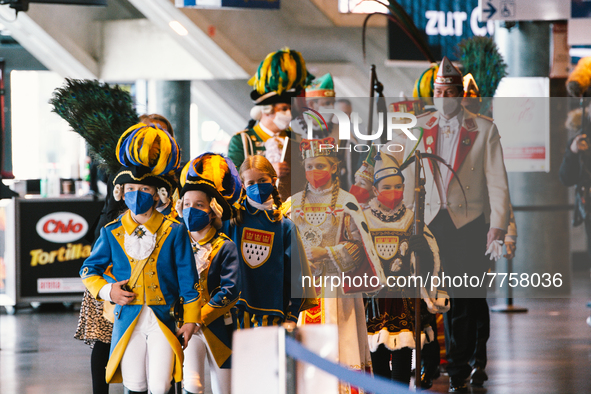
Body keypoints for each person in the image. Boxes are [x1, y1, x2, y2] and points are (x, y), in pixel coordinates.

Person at [402, 57, 511, 392]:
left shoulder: (484, 129)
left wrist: (498, 225)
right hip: (432, 224)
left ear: (459, 94)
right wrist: (403, 219)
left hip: (469, 224)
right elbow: (406, 176)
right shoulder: (417, 126)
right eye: (438, 91)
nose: (444, 97)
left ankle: (460, 368)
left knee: (464, 298)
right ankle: (437, 362)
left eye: (449, 90)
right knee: (434, 296)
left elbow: (497, 182)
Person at [80, 123, 200, 394]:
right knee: (134, 383)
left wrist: (191, 319)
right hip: (127, 320)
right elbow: (89, 269)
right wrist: (108, 290)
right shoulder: (112, 231)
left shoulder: (175, 231)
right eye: (131, 188)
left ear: (158, 195)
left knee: (161, 384)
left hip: (163, 319)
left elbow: (188, 281)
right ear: (121, 192)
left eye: (145, 190)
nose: (137, 194)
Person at [291, 138, 385, 393]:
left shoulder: (347, 203)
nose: (314, 172)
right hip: (304, 288)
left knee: (341, 344)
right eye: (309, 165)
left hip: (337, 289)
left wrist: (327, 252)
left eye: (320, 165)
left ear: (334, 167)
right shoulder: (291, 204)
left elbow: (360, 249)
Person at [363, 152, 446, 387]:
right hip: (373, 301)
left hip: (405, 301)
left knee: (403, 355)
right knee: (376, 353)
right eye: (387, 186)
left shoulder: (413, 220)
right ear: (375, 189)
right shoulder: (364, 220)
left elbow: (434, 264)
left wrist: (425, 254)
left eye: (398, 186)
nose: (393, 191)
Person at [222, 155, 316, 329]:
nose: (256, 186)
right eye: (250, 183)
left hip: (272, 314)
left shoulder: (286, 226)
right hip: (234, 311)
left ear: (273, 181)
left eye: (262, 180)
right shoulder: (232, 220)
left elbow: (296, 275)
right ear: (242, 185)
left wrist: (293, 315)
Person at [176, 153, 242, 394]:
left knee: (225, 388)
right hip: (186, 328)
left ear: (213, 211)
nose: (191, 210)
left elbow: (231, 289)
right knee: (192, 385)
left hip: (221, 328)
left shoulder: (225, 246)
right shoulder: (176, 244)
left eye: (199, 205)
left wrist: (199, 317)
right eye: (187, 204)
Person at [227, 48, 314, 201]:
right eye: (284, 109)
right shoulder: (241, 140)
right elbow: (232, 182)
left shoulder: (297, 138)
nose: (289, 113)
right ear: (267, 110)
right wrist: (266, 173)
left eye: (291, 108)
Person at [291, 73, 360, 190]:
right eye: (327, 103)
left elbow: (350, 172)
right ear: (312, 104)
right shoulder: (293, 129)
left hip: (334, 198)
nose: (332, 107)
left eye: (333, 102)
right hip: (300, 196)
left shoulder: (341, 131)